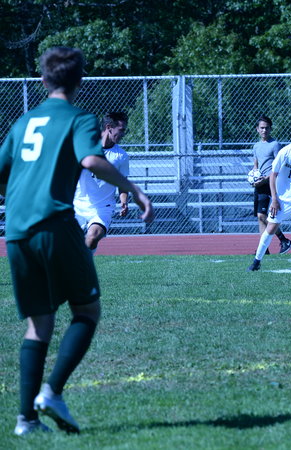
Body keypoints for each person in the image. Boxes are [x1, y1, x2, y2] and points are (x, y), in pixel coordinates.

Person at [0, 47, 154, 436]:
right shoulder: (79, 118)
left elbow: (2, 175)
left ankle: (26, 421)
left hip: (16, 231)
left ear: (42, 80)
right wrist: (135, 191)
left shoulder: (23, 123)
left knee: (39, 323)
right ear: (79, 81)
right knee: (87, 310)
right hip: (54, 224)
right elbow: (91, 160)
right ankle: (51, 392)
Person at [248, 117, 291, 271]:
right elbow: (273, 175)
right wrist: (274, 199)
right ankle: (256, 261)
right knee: (271, 227)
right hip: (283, 197)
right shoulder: (284, 152)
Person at [74, 111, 130, 252]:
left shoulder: (121, 156)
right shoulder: (85, 147)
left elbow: (123, 184)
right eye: (121, 130)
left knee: (92, 237)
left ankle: (82, 262)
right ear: (109, 127)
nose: (123, 134)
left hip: (103, 207)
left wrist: (124, 201)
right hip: (78, 205)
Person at [251, 115, 291, 255]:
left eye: (267, 128)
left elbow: (279, 166)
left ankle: (283, 239)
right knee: (260, 217)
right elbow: (256, 165)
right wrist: (253, 177)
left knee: (264, 216)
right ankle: (265, 249)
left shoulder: (275, 145)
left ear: (270, 129)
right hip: (260, 184)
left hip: (271, 183)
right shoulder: (256, 146)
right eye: (262, 128)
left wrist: (266, 179)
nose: (264, 130)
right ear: (257, 129)